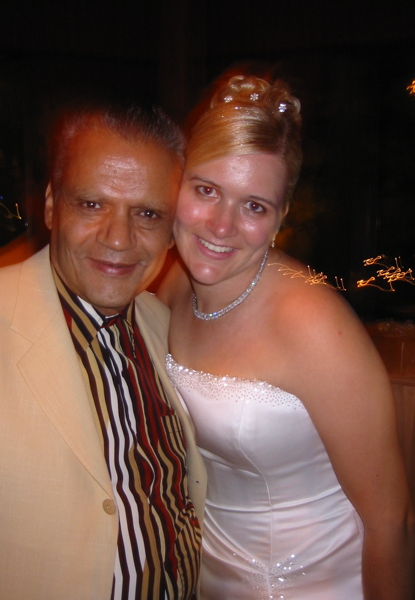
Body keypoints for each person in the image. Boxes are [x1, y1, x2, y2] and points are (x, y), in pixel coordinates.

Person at [158, 72, 414, 599]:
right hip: (206, 576)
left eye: (254, 205)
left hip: (316, 584)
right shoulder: (172, 285)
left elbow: (392, 523)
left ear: (281, 217)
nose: (221, 226)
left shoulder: (316, 325)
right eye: (206, 190)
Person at [0, 101, 207, 600]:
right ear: (52, 206)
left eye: (147, 213)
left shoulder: (168, 327)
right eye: (92, 204)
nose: (118, 239)